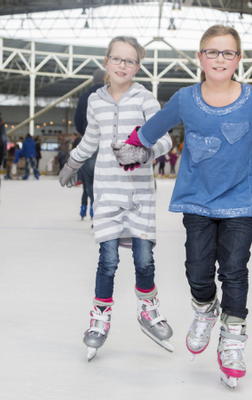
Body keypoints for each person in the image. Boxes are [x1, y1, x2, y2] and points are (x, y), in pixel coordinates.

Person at [110, 25, 252, 390]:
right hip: (197, 197)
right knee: (197, 270)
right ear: (200, 57)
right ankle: (205, 308)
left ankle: (233, 340)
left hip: (240, 200)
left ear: (238, 59)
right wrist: (136, 144)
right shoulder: (185, 98)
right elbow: (156, 125)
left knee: (234, 269)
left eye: (228, 53)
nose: (220, 59)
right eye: (212, 52)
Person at [57, 36, 175, 361]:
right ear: (106, 61)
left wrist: (144, 149)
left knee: (144, 258)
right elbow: (90, 140)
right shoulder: (95, 101)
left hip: (139, 192)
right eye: (117, 59)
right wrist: (72, 163)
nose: (122, 65)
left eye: (130, 60)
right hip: (107, 191)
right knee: (107, 259)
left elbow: (165, 140)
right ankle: (100, 317)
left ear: (138, 66)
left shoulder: (146, 99)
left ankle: (148, 309)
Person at [74, 69, 106, 220]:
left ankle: (89, 207)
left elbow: (77, 122)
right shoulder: (110, 96)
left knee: (89, 179)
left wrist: (86, 134)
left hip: (90, 144)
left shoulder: (84, 98)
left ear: (93, 81)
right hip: (106, 144)